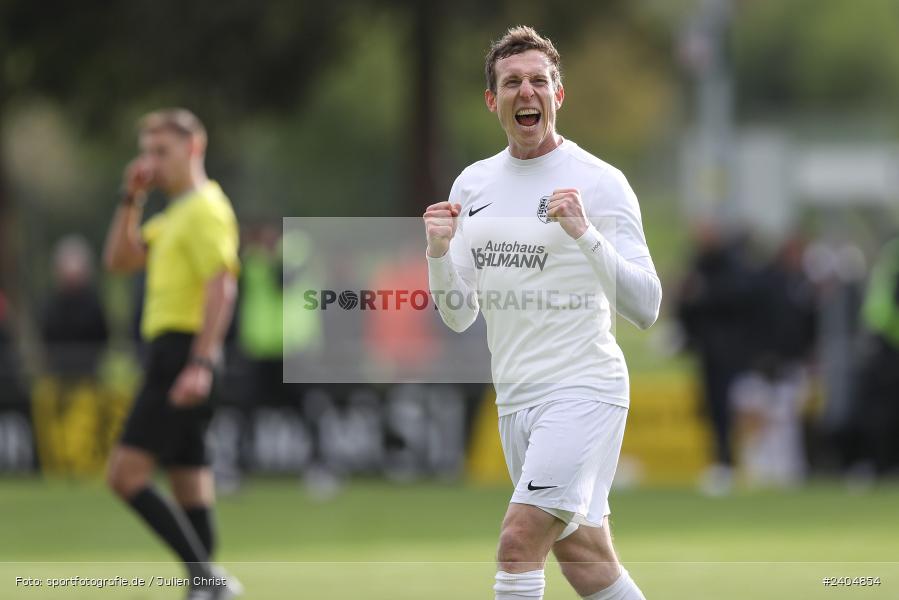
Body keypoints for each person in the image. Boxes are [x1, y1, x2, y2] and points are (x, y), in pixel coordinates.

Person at [423, 27, 661, 600]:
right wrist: (436, 255)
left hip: (584, 388)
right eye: (512, 82)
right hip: (516, 400)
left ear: (558, 95)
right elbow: (458, 316)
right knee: (585, 559)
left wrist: (584, 233)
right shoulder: (473, 184)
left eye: (538, 81)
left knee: (518, 542)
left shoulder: (601, 183)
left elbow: (647, 306)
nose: (525, 91)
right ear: (493, 100)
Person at [102, 108, 241, 599]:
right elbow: (119, 260)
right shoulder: (174, 215)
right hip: (175, 355)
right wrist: (131, 197)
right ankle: (204, 587)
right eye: (146, 152)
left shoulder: (205, 208)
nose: (151, 161)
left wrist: (199, 363)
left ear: (193, 148)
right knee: (189, 483)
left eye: (161, 151)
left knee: (124, 476)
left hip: (184, 355)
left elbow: (221, 287)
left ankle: (209, 581)